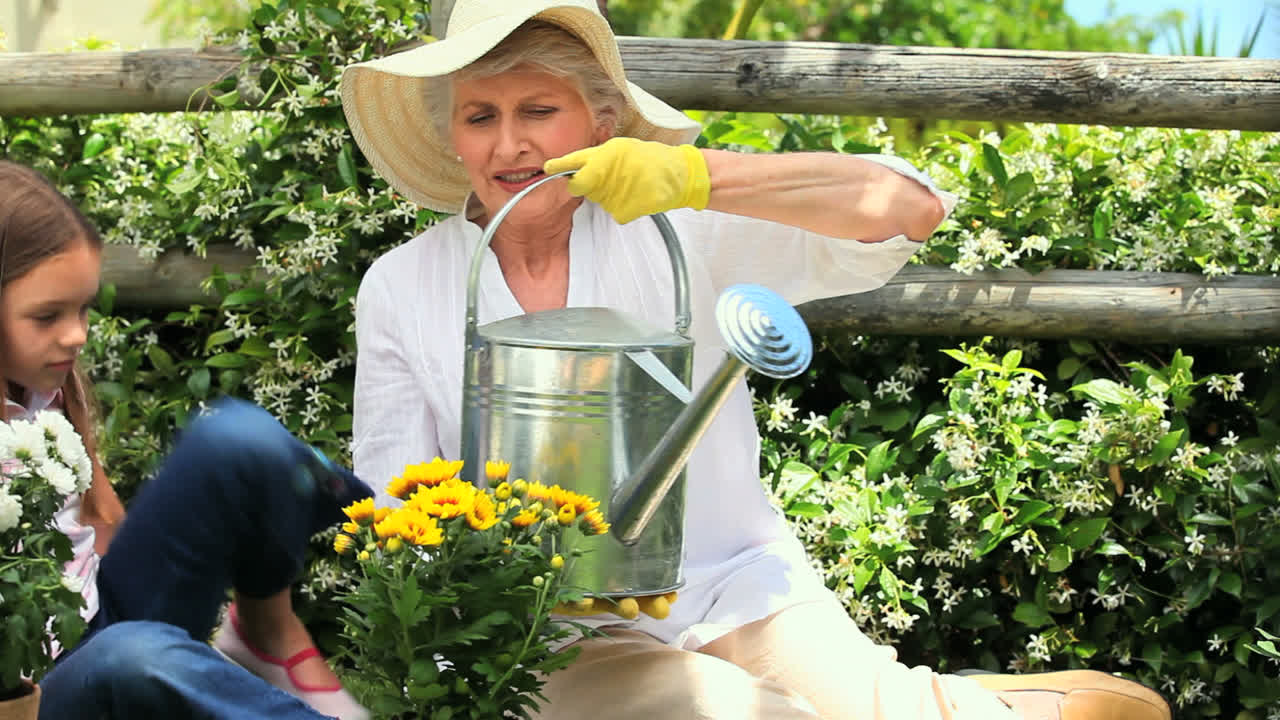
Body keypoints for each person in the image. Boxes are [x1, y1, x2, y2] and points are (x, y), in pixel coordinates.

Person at [341, 2, 1173, 719]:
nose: (511, 144)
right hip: (545, 632)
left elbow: (904, 209)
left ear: (600, 123)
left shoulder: (671, 224)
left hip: (728, 582)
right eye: (481, 115)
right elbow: (400, 496)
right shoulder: (404, 286)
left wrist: (696, 176)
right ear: (452, 136)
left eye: (538, 110)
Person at [0, 159, 372, 720]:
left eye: (82, 308)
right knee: (135, 658)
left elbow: (99, 527)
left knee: (236, 440)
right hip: (30, 697)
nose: (75, 335)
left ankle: (268, 631)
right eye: (47, 315)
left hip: (98, 626)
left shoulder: (36, 389)